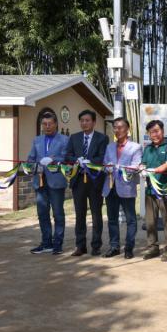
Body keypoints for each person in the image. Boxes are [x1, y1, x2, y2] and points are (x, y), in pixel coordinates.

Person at [65, 109, 109, 257]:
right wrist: (76, 160)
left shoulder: (102, 138)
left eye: (87, 120)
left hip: (95, 181)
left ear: (94, 122)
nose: (84, 123)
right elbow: (68, 155)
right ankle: (80, 245)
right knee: (80, 214)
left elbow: (103, 157)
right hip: (78, 181)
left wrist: (90, 162)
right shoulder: (74, 137)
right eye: (82, 120)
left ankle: (96, 246)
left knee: (96, 215)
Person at [27, 112, 69, 255]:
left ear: (56, 124)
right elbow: (30, 159)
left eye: (50, 123)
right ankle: (46, 243)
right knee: (42, 214)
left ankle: (58, 244)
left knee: (58, 214)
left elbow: (67, 158)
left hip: (56, 181)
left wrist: (54, 160)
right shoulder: (37, 140)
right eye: (44, 124)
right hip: (40, 182)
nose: (47, 126)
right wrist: (34, 165)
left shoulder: (64, 140)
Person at [102, 118, 142, 259]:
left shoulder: (135, 147)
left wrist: (120, 168)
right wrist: (107, 168)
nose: (118, 130)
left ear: (127, 129)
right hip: (110, 187)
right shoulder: (109, 147)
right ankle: (114, 246)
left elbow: (136, 166)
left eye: (121, 127)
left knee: (130, 219)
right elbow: (105, 163)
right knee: (112, 219)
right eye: (115, 127)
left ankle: (129, 248)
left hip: (126, 187)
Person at [139, 120, 167, 261]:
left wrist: (153, 170)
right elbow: (143, 162)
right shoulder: (148, 148)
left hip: (166, 190)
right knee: (150, 221)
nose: (154, 134)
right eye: (151, 132)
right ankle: (152, 247)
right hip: (150, 191)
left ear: (162, 131)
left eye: (157, 131)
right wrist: (141, 168)